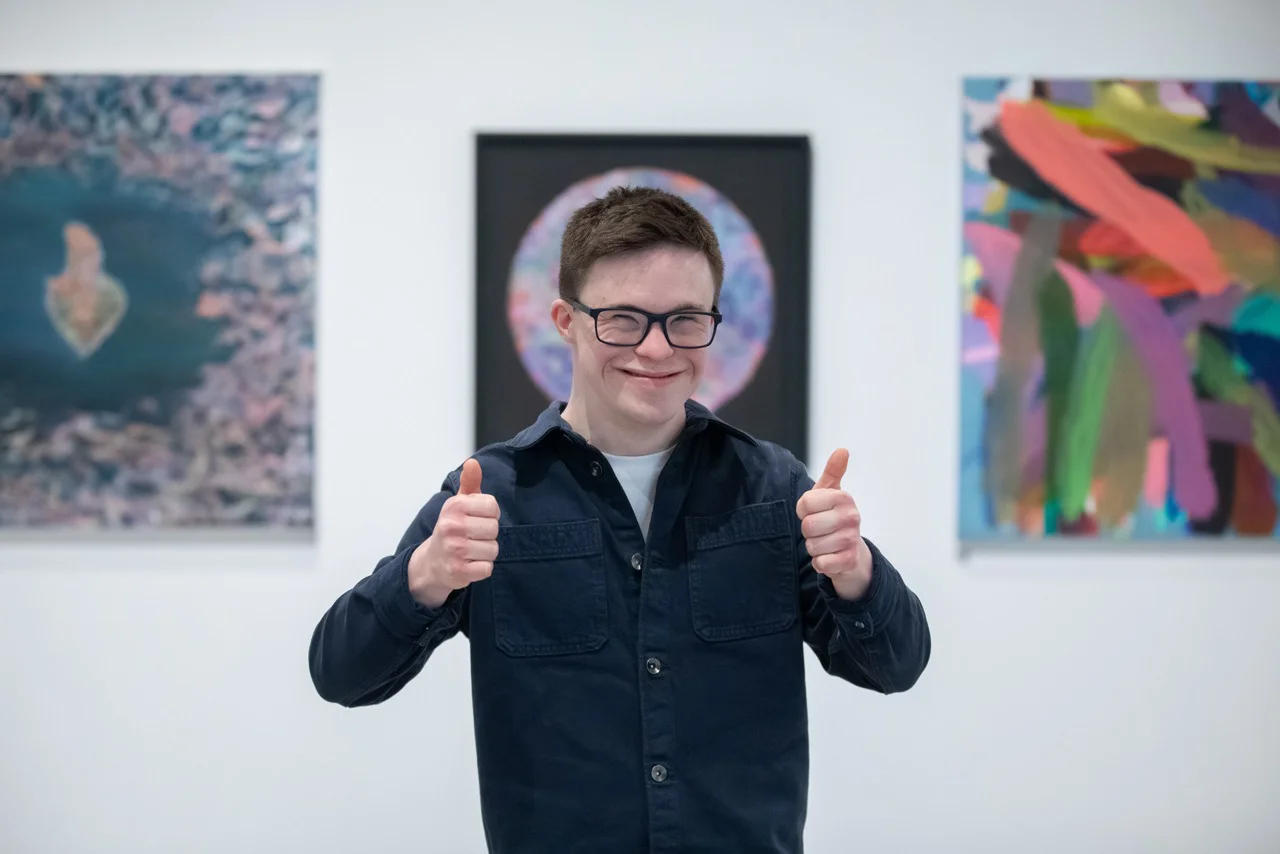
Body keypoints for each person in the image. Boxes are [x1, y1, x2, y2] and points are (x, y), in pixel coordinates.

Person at [308, 185, 931, 854]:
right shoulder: (493, 497)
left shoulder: (773, 489)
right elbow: (341, 674)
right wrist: (424, 576)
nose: (659, 349)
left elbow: (897, 666)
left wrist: (856, 571)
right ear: (566, 321)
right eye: (624, 319)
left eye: (686, 319)